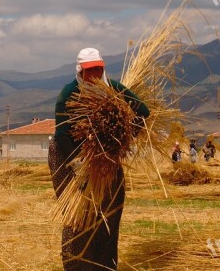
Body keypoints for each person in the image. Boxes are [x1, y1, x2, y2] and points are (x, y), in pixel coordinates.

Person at [49, 47, 150, 271]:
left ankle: (104, 266)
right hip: (68, 155)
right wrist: (79, 167)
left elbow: (143, 111)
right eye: (89, 70)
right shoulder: (69, 94)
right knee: (78, 215)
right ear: (80, 71)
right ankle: (78, 265)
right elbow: (63, 136)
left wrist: (123, 138)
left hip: (104, 157)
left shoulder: (112, 88)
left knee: (110, 210)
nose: (94, 74)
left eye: (98, 69)